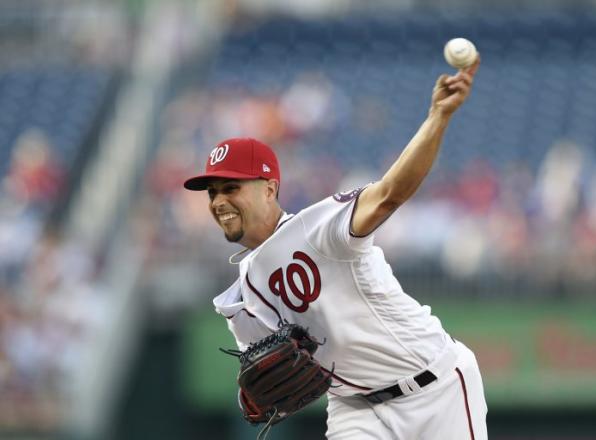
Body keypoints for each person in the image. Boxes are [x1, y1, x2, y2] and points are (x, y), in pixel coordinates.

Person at [183, 59, 487, 439]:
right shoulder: (240, 297)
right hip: (355, 411)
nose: (218, 201)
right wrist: (255, 397)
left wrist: (437, 118)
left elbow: (390, 194)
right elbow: (263, 380)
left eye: (231, 188)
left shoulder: (317, 227)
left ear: (269, 188)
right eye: (212, 193)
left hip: (435, 386)